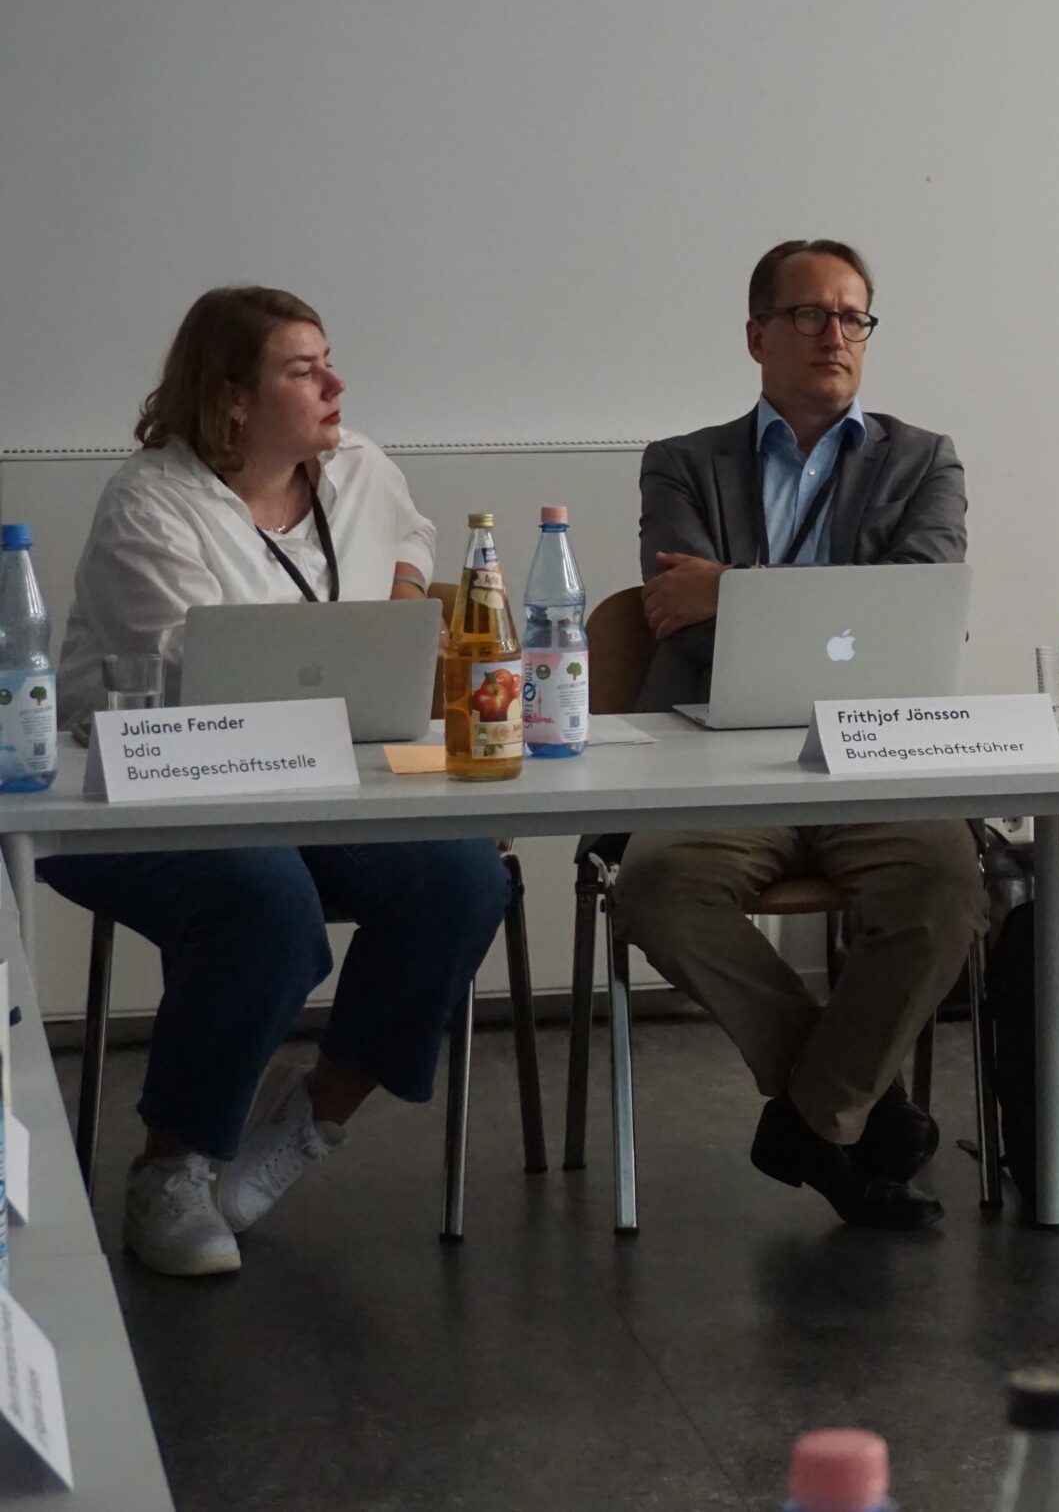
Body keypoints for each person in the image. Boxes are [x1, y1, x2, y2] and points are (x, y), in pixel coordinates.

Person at [40, 286, 508, 1278]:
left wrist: (387, 620)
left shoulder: (362, 469)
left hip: (324, 783)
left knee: (464, 874)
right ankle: (172, 1167)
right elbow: (193, 685)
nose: (336, 385)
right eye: (304, 370)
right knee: (261, 901)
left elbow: (412, 558)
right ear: (232, 400)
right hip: (133, 792)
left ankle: (307, 1122)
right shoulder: (152, 502)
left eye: (329, 360)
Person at [613, 239, 984, 1229]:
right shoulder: (683, 464)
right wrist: (833, 605)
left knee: (945, 889)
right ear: (755, 336)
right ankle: (861, 1108)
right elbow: (670, 605)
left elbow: (920, 603)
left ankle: (813, 1123)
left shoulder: (923, 460)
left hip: (877, 748)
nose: (834, 335)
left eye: (853, 317)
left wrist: (733, 590)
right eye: (809, 315)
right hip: (717, 750)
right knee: (655, 888)